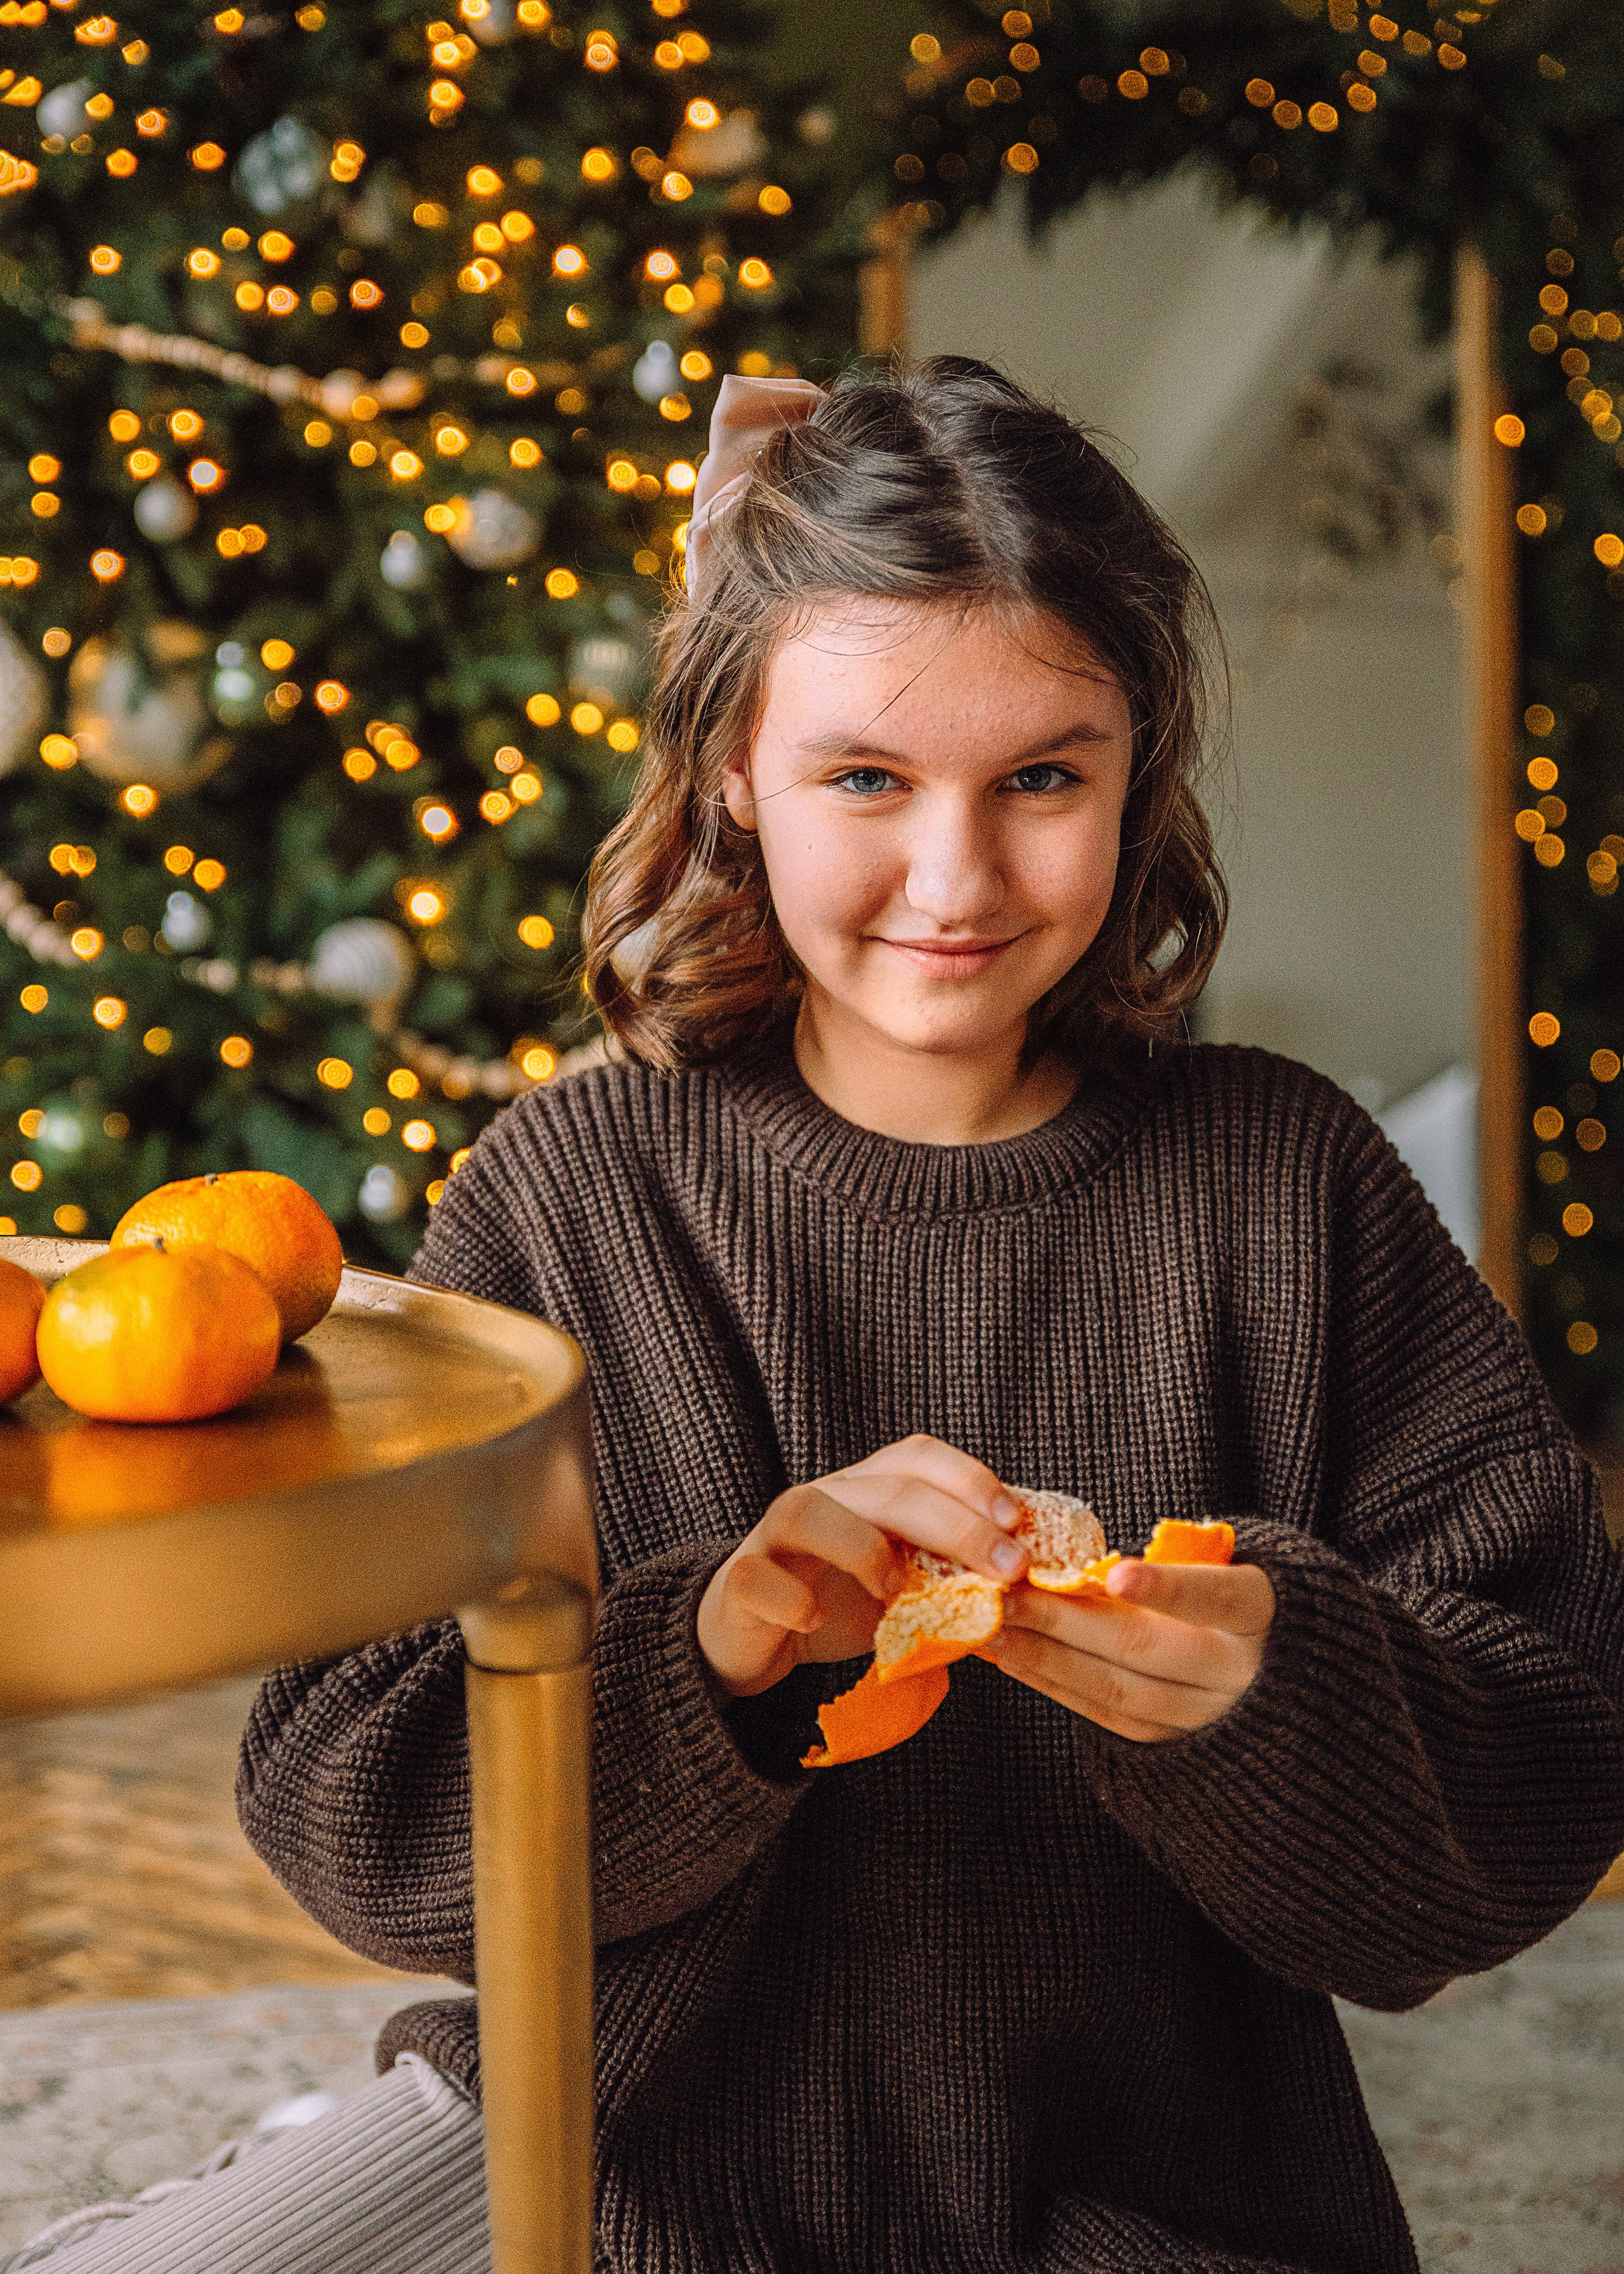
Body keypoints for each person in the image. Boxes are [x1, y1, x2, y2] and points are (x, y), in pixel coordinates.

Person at [13, 357, 1624, 2274]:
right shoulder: (569, 1188)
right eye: (866, 778)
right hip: (592, 2157)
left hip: (1139, 2197)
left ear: (1141, 772)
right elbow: (350, 1808)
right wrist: (705, 1662)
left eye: (1044, 778)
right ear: (732, 776)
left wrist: (1277, 1686)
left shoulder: (1294, 1183)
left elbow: (1550, 1766)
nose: (957, 877)